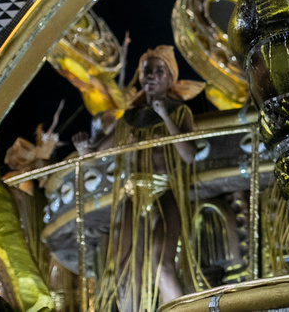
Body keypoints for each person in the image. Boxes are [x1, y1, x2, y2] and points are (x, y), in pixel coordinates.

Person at [73, 45, 204, 311]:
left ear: (171, 77)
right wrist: (84, 149)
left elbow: (189, 155)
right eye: (147, 71)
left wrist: (164, 115)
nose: (152, 75)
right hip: (131, 196)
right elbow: (96, 155)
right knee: (124, 272)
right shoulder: (129, 118)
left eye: (159, 71)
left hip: (163, 191)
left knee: (162, 265)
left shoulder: (180, 112)